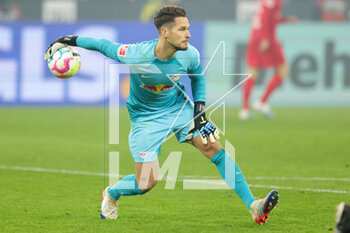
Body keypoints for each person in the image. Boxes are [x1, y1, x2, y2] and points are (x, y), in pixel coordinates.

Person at [44, 5, 279, 224]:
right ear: (165, 32)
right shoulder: (136, 55)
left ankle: (254, 206)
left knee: (212, 146)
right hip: (145, 118)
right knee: (146, 182)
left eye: (188, 28)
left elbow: (198, 78)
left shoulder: (190, 54)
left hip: (177, 108)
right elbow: (103, 45)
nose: (188, 34)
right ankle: (112, 193)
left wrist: (200, 113)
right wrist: (67, 39)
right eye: (182, 29)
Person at [239, 0, 297, 120]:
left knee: (252, 73)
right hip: (267, 38)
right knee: (283, 70)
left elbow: (269, 18)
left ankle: (245, 110)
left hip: (254, 37)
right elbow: (266, 16)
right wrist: (266, 38)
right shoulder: (275, 1)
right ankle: (262, 102)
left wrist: (285, 20)